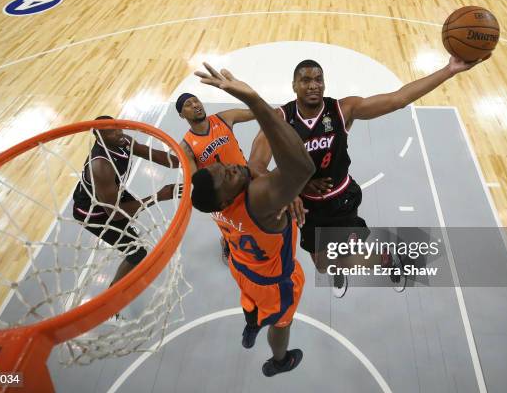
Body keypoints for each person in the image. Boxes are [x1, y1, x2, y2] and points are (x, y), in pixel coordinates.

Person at [249, 56, 488, 297]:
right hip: (307, 207)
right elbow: (256, 164)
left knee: (346, 254)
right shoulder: (279, 119)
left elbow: (398, 99)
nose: (313, 85)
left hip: (339, 199)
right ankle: (341, 262)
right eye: (306, 80)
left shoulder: (342, 110)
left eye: (319, 79)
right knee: (323, 265)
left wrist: (449, 70)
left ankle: (387, 258)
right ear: (294, 86)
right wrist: (288, 191)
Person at [191, 63, 315, 376]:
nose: (229, 169)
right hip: (276, 282)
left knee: (249, 301)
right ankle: (279, 360)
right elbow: (301, 169)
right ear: (227, 197)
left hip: (240, 265)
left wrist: (273, 115)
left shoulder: (213, 203)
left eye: (223, 167)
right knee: (281, 323)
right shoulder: (257, 200)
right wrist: (256, 102)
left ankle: (250, 326)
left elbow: (253, 162)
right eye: (225, 177)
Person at [72, 115, 181, 288]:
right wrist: (159, 196)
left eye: (117, 127)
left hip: (113, 194)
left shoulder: (123, 142)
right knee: (137, 253)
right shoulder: (101, 166)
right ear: (100, 137)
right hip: (94, 214)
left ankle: (128, 224)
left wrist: (184, 159)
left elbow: (155, 155)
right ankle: (112, 296)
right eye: (111, 132)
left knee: (130, 211)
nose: (119, 132)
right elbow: (115, 214)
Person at [177, 93, 256, 264]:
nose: (196, 105)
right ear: (182, 115)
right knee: (231, 229)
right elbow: (197, 180)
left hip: (244, 178)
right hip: (221, 193)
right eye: (188, 105)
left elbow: (254, 112)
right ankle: (226, 242)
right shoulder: (187, 146)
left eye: (196, 100)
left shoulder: (224, 118)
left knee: (256, 217)